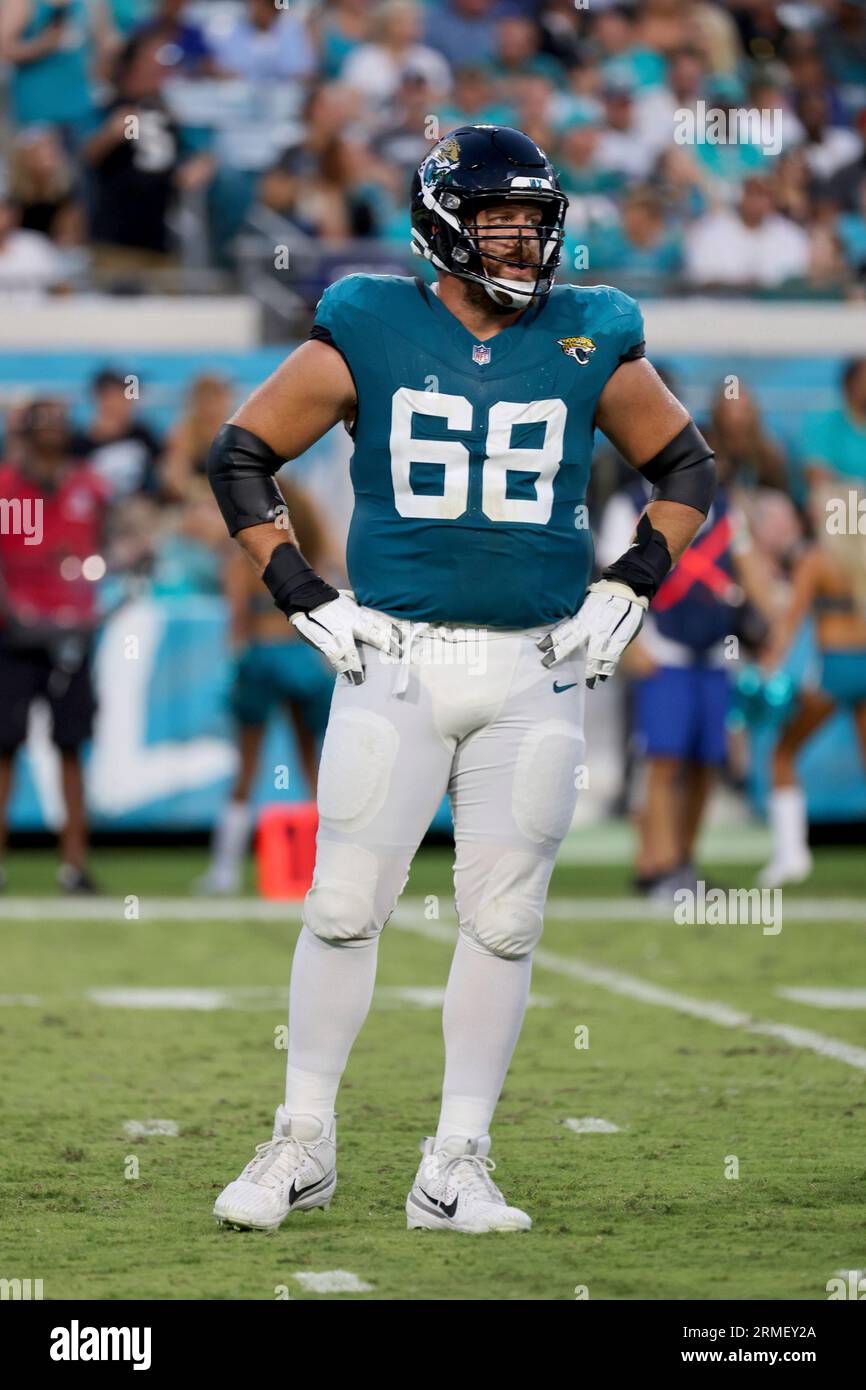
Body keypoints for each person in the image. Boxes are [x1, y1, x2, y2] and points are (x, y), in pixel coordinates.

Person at [206, 124, 715, 1235]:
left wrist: (631, 580)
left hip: (536, 669)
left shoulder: (592, 332)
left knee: (504, 920)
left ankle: (456, 1162)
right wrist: (299, 589)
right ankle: (301, 1142)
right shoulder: (370, 321)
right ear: (441, 225)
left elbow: (685, 464)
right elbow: (239, 455)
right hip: (395, 656)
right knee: (343, 906)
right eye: (500, 223)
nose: (524, 244)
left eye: (536, 225)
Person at [196, 479, 336, 895]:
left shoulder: (249, 549)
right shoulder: (308, 547)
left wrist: (234, 656)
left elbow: (236, 611)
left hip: (261, 654)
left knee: (247, 768)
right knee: (314, 767)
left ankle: (224, 871)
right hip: (300, 655)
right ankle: (326, 870)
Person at [0, 399, 109, 893]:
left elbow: (111, 544)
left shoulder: (90, 484)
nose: (52, 432)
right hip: (15, 635)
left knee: (71, 746)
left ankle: (74, 865)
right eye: (45, 424)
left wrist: (106, 585)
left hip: (71, 633)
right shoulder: (7, 486)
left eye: (59, 423)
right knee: (4, 749)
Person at [757, 482, 866, 888]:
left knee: (783, 754)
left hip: (834, 672)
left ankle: (791, 857)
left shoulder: (817, 560)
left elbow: (791, 622)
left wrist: (769, 663)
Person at [71, 368, 162, 500]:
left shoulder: (142, 434)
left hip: (137, 505)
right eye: (115, 395)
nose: (123, 403)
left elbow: (162, 466)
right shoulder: (80, 442)